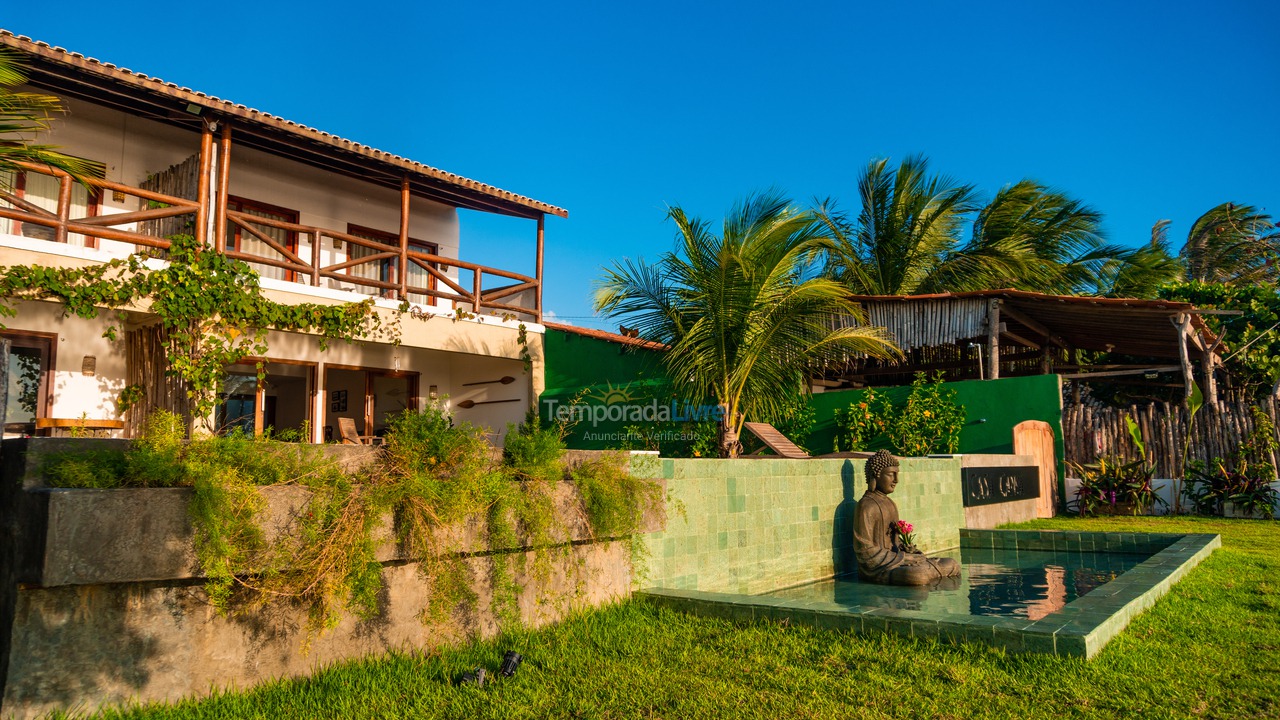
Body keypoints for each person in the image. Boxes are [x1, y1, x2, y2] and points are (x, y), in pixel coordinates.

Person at [853, 450, 960, 586]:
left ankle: (927, 571)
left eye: (897, 474)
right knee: (917, 576)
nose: (896, 480)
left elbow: (895, 543)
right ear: (876, 475)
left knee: (952, 564)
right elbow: (864, 552)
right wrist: (904, 558)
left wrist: (908, 550)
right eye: (891, 475)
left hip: (897, 561)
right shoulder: (866, 506)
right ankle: (926, 573)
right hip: (878, 569)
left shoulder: (890, 504)